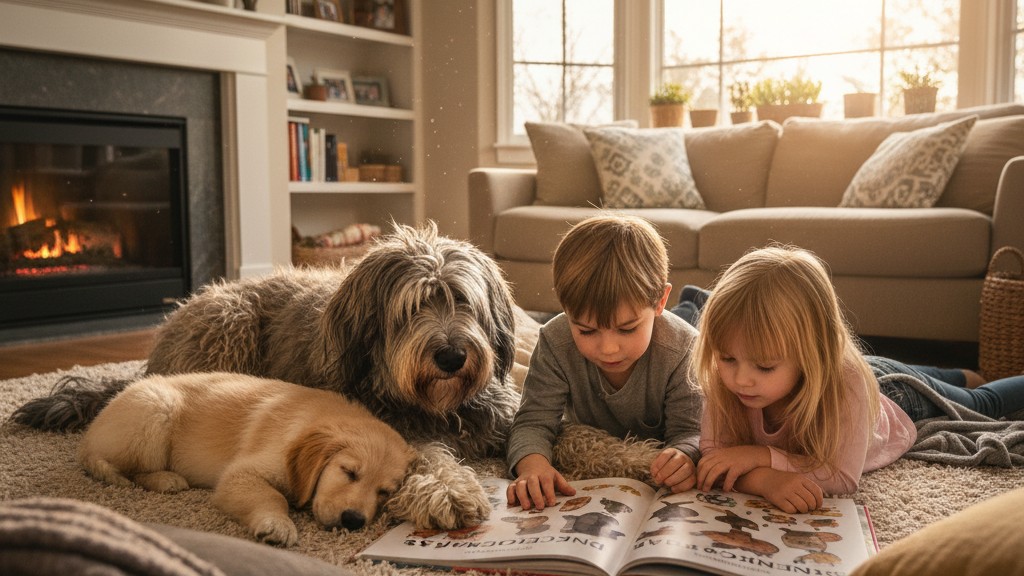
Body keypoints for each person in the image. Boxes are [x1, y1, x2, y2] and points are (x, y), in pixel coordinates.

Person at [692, 245, 1024, 514]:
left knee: (982, 402)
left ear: (813, 355)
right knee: (929, 375)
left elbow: (841, 477)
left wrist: (759, 458)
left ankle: (957, 377)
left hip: (896, 393)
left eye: (765, 367)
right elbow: (714, 458)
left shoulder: (846, 382)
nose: (741, 379)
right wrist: (764, 480)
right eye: (727, 358)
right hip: (865, 370)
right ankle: (955, 374)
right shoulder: (724, 375)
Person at [506, 214, 703, 511]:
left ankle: (691, 301)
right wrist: (533, 465)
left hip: (678, 328)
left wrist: (684, 455)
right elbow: (533, 421)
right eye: (586, 330)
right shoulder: (555, 340)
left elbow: (691, 432)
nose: (609, 349)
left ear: (660, 301)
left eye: (627, 329)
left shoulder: (684, 348)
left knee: (702, 315)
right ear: (564, 307)